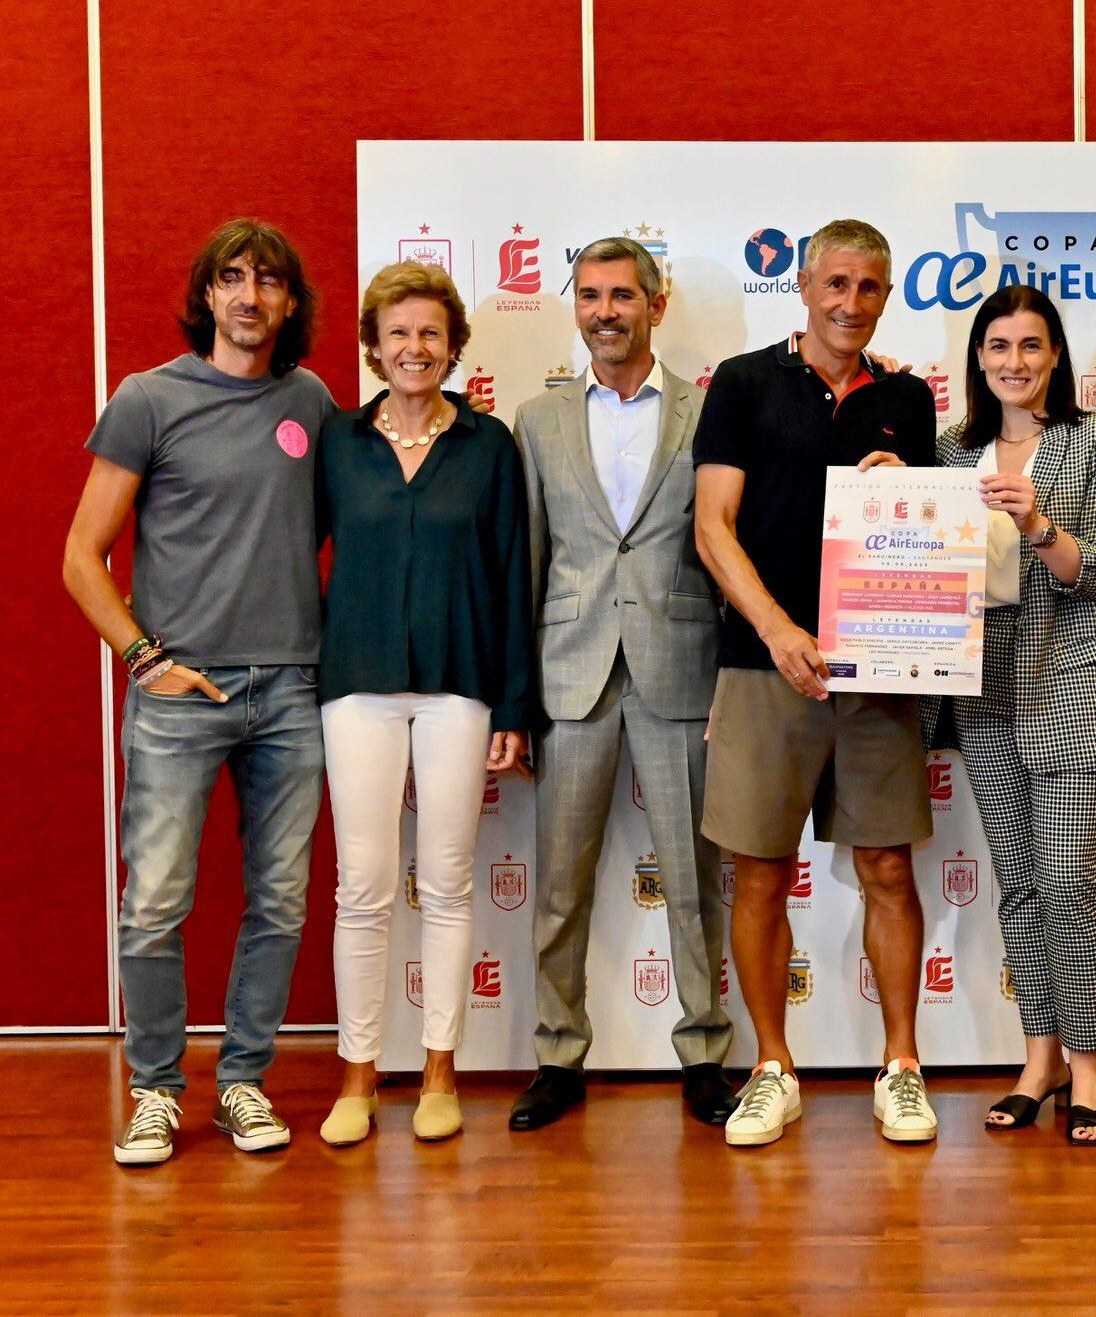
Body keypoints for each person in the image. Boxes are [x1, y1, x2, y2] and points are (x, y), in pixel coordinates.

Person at [62, 218, 335, 1165]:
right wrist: (145, 659)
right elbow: (80, 559)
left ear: (290, 304)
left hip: (293, 693)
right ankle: (154, 1091)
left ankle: (244, 1084)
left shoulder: (312, 399)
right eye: (232, 279)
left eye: (267, 281)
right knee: (156, 904)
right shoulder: (147, 399)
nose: (249, 296)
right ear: (207, 295)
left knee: (282, 902)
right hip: (180, 694)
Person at [693, 219, 939, 1148]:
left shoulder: (908, 398)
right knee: (758, 874)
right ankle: (772, 1067)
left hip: (880, 671)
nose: (851, 303)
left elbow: (926, 534)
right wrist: (777, 627)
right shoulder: (745, 382)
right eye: (836, 283)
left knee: (887, 867)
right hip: (765, 665)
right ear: (803, 285)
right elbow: (713, 526)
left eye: (870, 287)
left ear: (886, 295)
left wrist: (904, 483)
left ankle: (902, 1067)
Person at [508, 236, 739, 1133]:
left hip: (680, 669)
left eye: (623, 296)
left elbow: (723, 546)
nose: (606, 311)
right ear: (576, 306)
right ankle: (558, 1058)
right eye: (591, 295)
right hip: (569, 672)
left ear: (656, 303)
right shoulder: (538, 419)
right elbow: (530, 558)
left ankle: (706, 1053)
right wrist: (517, 702)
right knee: (560, 884)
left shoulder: (704, 412)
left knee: (693, 876)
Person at [314, 261, 537, 1146]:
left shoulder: (488, 447)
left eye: (430, 334)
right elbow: (298, 558)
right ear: (373, 347)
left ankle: (440, 1071)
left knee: (446, 885)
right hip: (355, 689)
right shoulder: (336, 441)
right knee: (362, 891)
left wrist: (514, 705)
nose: (414, 348)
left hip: (461, 686)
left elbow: (513, 575)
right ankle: (358, 1077)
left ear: (454, 350)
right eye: (397, 332)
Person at [919, 286, 1096, 1145]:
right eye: (998, 346)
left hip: (1073, 679)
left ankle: (1090, 1066)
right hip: (982, 685)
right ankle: (1039, 1055)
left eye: (1031, 346)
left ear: (1056, 356)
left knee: (1066, 884)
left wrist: (1039, 521)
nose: (1014, 361)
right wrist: (887, 497)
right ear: (977, 359)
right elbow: (922, 552)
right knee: (1018, 888)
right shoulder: (950, 450)